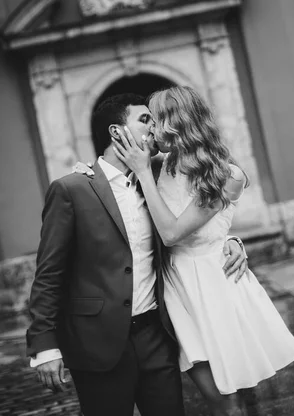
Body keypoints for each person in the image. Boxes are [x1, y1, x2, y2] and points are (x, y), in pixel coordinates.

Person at [26, 93, 248, 416]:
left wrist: (231, 241)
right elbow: (48, 273)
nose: (155, 127)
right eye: (145, 120)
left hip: (157, 337)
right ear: (117, 132)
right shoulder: (72, 189)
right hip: (96, 343)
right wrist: (44, 346)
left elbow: (198, 217)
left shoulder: (157, 177)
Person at [111, 86, 294, 416]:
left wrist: (230, 241)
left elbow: (172, 233)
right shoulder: (161, 164)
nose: (152, 129)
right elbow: (111, 174)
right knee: (216, 397)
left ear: (176, 122)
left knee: (230, 400)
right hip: (176, 288)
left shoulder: (227, 175)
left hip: (216, 285)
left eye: (154, 120)